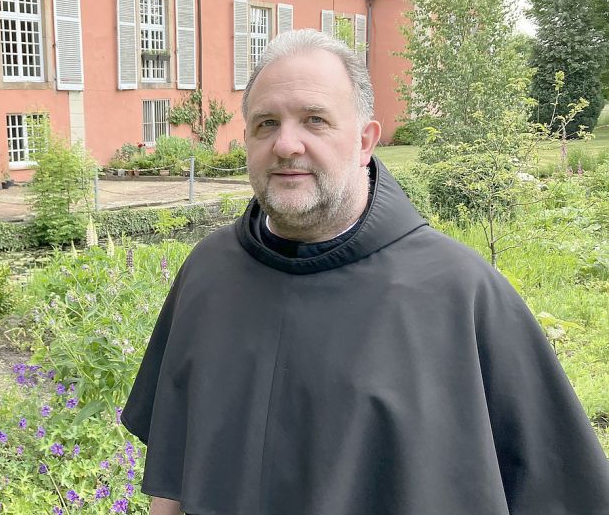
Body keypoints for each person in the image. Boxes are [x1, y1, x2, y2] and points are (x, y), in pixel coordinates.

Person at [120, 29, 609, 515]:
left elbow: (557, 488)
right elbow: (175, 468)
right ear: (246, 138)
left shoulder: (461, 293)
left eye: (315, 120)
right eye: (266, 124)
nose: (287, 144)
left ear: (364, 141)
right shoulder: (207, 273)